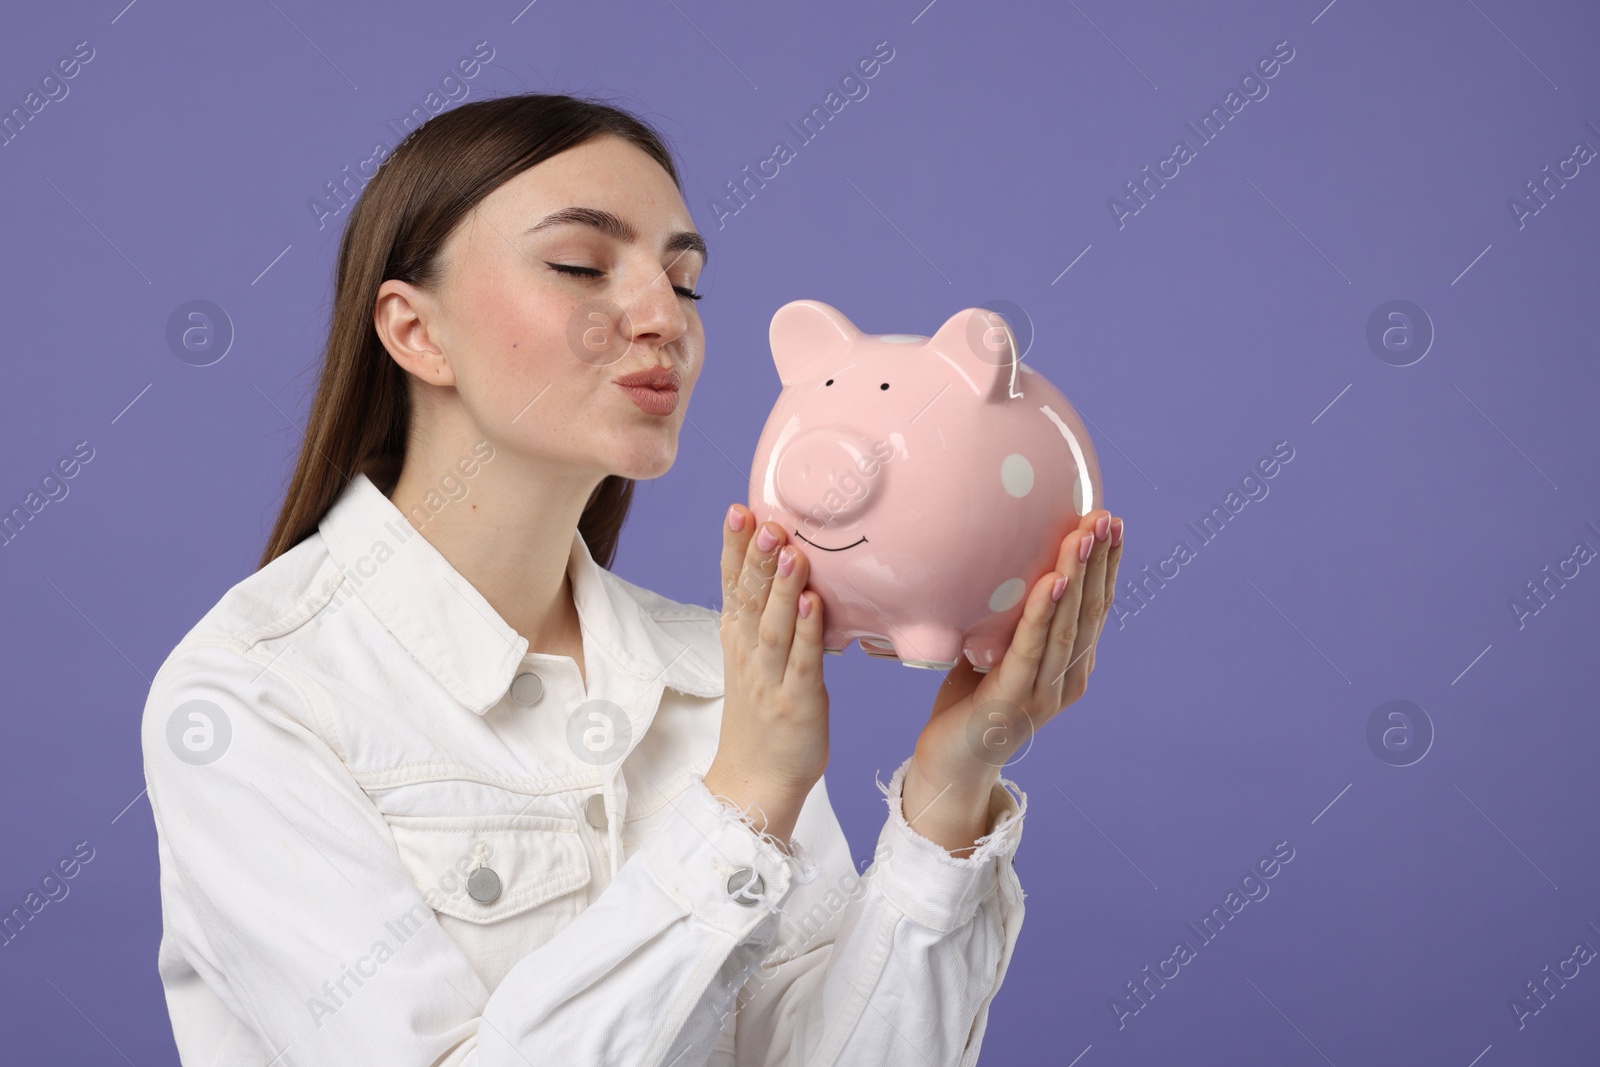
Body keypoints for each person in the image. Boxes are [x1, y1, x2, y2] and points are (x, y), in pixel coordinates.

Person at [140, 92, 1124, 1066]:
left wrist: (951, 790)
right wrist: (738, 806)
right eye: (580, 264)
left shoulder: (716, 670)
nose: (664, 317)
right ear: (414, 332)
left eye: (684, 280)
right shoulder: (250, 695)